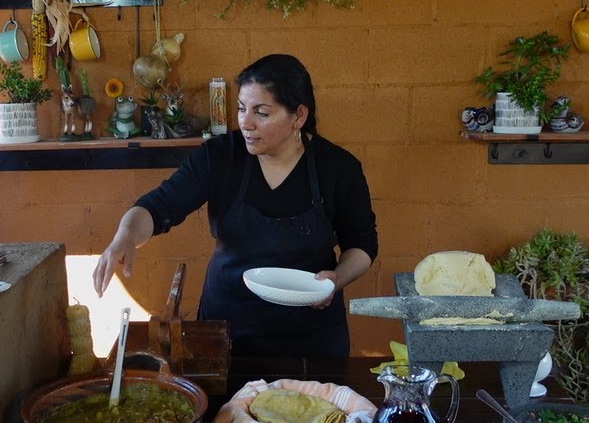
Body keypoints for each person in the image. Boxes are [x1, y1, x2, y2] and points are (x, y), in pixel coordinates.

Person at [92, 54, 378, 358]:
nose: (246, 122)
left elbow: (362, 244)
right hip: (227, 333)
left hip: (311, 335)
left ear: (299, 116)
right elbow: (158, 207)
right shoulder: (220, 157)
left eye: (262, 113)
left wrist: (336, 281)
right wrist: (125, 234)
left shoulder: (338, 168)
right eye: (242, 109)